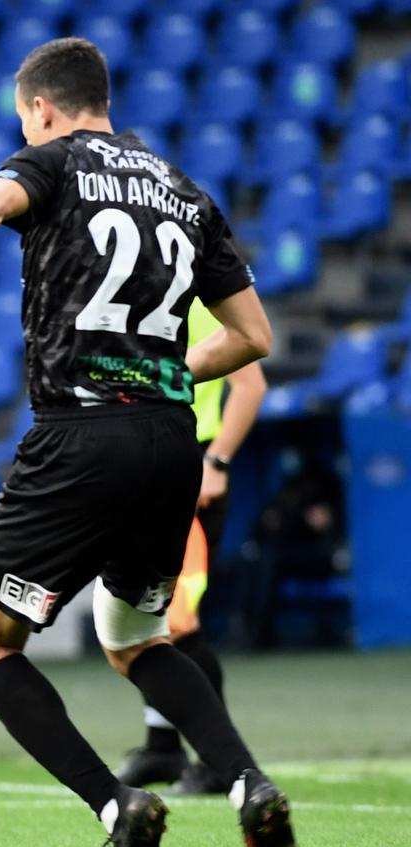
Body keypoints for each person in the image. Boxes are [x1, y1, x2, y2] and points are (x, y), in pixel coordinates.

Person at [0, 38, 297, 847]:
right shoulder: (183, 190)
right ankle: (247, 784)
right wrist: (159, 375)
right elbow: (254, 338)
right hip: (168, 447)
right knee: (138, 639)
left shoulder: (48, 164)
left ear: (41, 107)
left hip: (79, 437)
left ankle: (116, 805)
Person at [116, 302, 266, 794]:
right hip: (143, 467)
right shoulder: (138, 298)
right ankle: (162, 746)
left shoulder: (202, 301)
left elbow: (249, 386)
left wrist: (217, 462)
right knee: (143, 617)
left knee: (178, 623)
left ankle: (219, 762)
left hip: (190, 471)